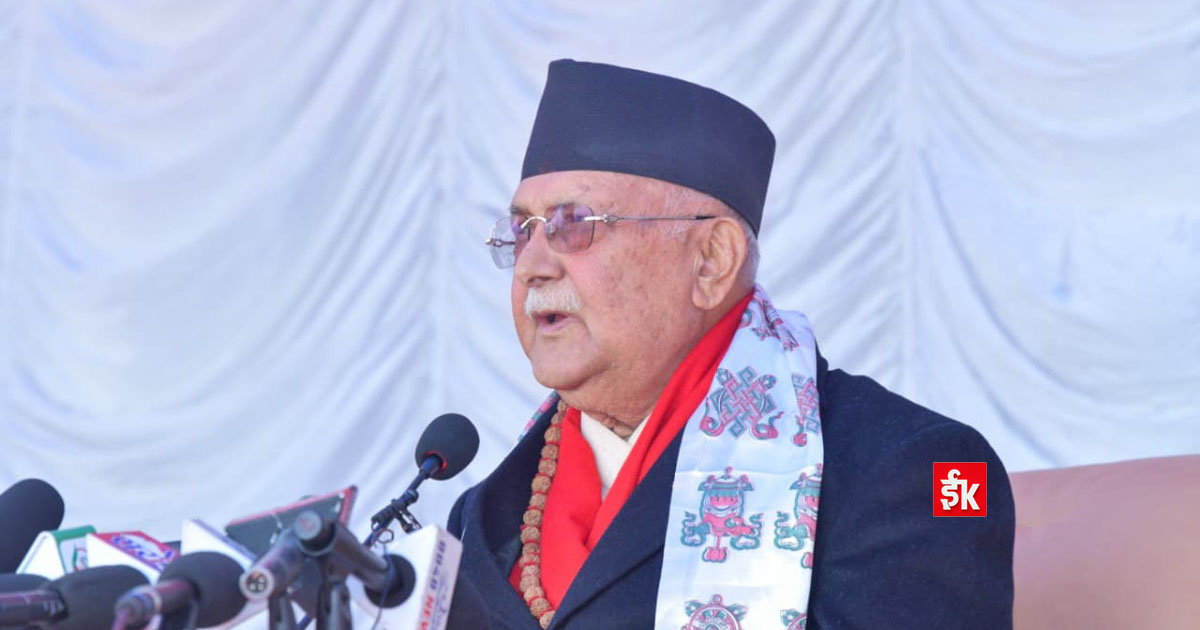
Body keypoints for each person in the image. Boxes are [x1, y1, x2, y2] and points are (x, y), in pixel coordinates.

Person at [448, 59, 1014, 630]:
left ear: (712, 260)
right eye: (522, 230)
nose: (532, 266)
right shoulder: (482, 514)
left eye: (573, 222)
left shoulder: (933, 470)